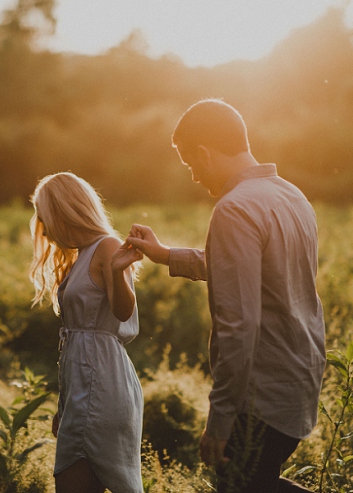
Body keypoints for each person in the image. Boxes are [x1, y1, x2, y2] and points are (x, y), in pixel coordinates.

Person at [126, 99, 325, 493]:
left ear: (204, 153)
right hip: (300, 380)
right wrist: (165, 255)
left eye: (190, 164)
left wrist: (219, 421)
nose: (194, 176)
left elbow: (239, 326)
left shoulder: (234, 209)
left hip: (260, 397)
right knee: (256, 482)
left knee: (239, 485)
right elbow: (247, 269)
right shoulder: (291, 195)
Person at [29, 172, 144, 493]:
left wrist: (119, 273)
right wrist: (63, 408)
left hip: (102, 390)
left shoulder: (106, 247)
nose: (42, 226)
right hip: (83, 393)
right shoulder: (81, 256)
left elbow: (123, 312)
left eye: (44, 216)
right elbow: (73, 347)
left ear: (63, 211)